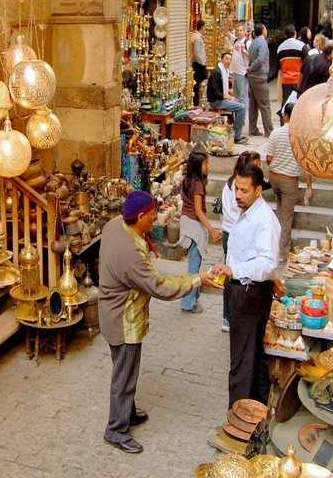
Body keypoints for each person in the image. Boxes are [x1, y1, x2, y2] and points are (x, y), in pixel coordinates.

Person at [99, 190, 216, 453]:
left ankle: (127, 411)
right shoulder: (131, 255)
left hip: (114, 311)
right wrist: (197, 279)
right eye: (152, 216)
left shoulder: (114, 225)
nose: (155, 220)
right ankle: (115, 430)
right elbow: (160, 287)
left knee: (126, 369)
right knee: (124, 375)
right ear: (139, 216)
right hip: (124, 320)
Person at [212, 164, 281, 407]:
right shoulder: (247, 212)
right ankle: (255, 412)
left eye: (243, 190)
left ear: (258, 190)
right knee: (251, 356)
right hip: (240, 291)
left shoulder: (264, 220)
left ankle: (238, 417)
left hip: (250, 293)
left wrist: (235, 270)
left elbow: (267, 264)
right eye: (235, 190)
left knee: (242, 362)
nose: (237, 196)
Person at [217, 150, 264, 332]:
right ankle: (228, 317)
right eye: (256, 165)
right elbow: (230, 211)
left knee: (236, 274)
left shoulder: (261, 213)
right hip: (231, 232)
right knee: (232, 276)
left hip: (237, 232)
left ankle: (234, 316)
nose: (239, 194)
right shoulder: (231, 188)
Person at [266, 103, 312, 261]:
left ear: (285, 116)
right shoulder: (301, 136)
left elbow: (269, 158)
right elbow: (306, 164)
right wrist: (309, 186)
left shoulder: (275, 133)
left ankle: (273, 245)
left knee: (280, 212)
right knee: (286, 218)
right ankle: (282, 253)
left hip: (274, 177)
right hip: (289, 181)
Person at [179, 151, 223, 314]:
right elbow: (198, 210)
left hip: (186, 222)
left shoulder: (187, 180)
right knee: (194, 267)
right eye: (206, 163)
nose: (208, 166)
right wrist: (211, 230)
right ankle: (188, 303)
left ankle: (193, 297)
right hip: (194, 226)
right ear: (199, 166)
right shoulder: (197, 184)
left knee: (193, 264)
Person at [207, 51, 248, 144]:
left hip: (221, 99)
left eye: (230, 59)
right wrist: (227, 97)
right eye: (226, 59)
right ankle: (236, 137)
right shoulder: (217, 72)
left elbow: (226, 89)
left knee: (240, 103)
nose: (228, 61)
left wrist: (230, 96)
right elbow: (215, 91)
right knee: (242, 108)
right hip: (216, 101)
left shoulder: (225, 70)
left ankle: (234, 132)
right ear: (222, 59)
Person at [246, 23, 274, 137]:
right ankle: (269, 130)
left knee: (253, 104)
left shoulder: (253, 42)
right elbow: (260, 59)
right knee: (264, 104)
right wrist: (251, 68)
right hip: (259, 76)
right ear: (263, 30)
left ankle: (253, 129)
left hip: (253, 77)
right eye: (265, 29)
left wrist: (250, 69)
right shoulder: (262, 42)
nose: (266, 31)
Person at [276, 24, 307, 115]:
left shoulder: (280, 48)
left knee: (285, 103)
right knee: (299, 104)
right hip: (299, 80)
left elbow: (279, 67)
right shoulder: (302, 46)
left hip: (286, 81)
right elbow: (307, 63)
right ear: (295, 33)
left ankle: (284, 122)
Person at [230, 23, 251, 108]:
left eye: (240, 30)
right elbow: (227, 32)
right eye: (237, 30)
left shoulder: (247, 42)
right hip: (234, 72)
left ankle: (243, 115)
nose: (238, 32)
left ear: (245, 32)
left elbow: (252, 56)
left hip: (242, 72)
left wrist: (245, 52)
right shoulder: (236, 41)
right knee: (236, 95)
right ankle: (238, 113)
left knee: (243, 95)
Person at [191, 20, 208, 107]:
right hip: (198, 65)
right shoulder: (197, 38)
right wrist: (203, 64)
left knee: (197, 84)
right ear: (202, 27)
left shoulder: (196, 36)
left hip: (198, 64)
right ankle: (196, 103)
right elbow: (197, 53)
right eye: (205, 27)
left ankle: (197, 103)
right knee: (198, 85)